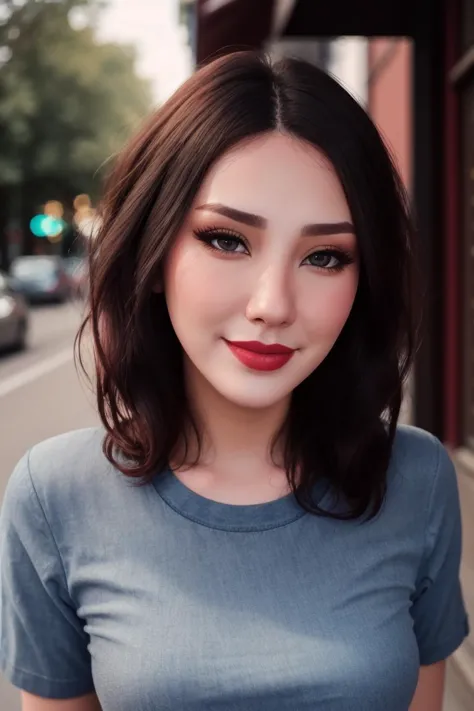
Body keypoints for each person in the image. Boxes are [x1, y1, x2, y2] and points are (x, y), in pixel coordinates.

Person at [0, 51, 469, 711]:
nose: (272, 303)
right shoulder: (54, 499)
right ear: (155, 252)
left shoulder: (415, 479)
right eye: (227, 240)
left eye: (325, 256)